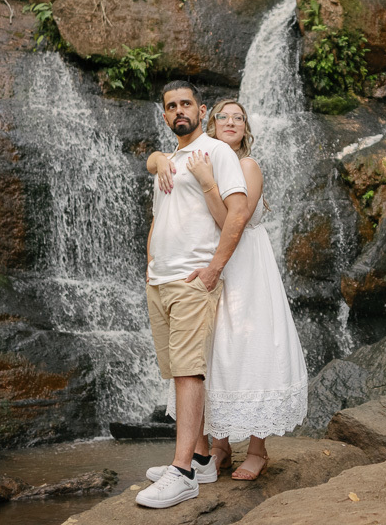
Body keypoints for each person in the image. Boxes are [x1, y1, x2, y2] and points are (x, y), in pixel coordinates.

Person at [149, 99, 308, 482]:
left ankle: (258, 449)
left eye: (240, 118)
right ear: (211, 122)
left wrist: (207, 181)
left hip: (244, 266)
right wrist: (157, 158)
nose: (232, 122)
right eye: (225, 116)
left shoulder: (246, 166)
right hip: (206, 264)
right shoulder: (202, 158)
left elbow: (231, 222)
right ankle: (217, 447)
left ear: (245, 128)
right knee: (216, 352)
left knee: (250, 350)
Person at [137, 81, 249, 509]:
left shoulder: (217, 153)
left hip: (192, 279)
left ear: (202, 111)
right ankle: (201, 457)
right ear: (164, 115)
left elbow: (237, 213)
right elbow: (159, 218)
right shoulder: (169, 160)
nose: (179, 110)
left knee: (188, 372)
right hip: (160, 280)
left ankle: (182, 472)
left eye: (186, 104)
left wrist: (213, 270)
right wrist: (149, 266)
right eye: (171, 106)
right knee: (176, 371)